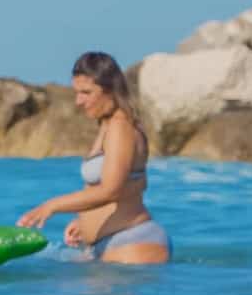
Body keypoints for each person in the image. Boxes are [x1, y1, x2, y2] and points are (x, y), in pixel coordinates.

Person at [16, 52, 170, 264]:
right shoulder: (106, 125)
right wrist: (83, 220)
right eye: (77, 93)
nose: (79, 101)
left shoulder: (120, 127)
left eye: (86, 93)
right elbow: (125, 183)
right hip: (108, 244)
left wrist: (52, 206)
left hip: (131, 242)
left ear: (110, 90)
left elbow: (111, 190)